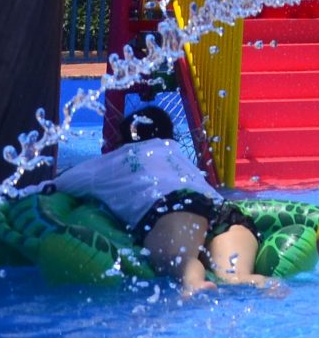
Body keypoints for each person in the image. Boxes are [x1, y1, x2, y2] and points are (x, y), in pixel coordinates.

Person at [50, 107, 267, 292]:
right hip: (225, 211)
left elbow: (56, 185)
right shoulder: (175, 152)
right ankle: (266, 285)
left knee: (178, 261)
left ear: (123, 139)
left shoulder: (116, 159)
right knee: (237, 278)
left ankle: (194, 284)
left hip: (176, 207)